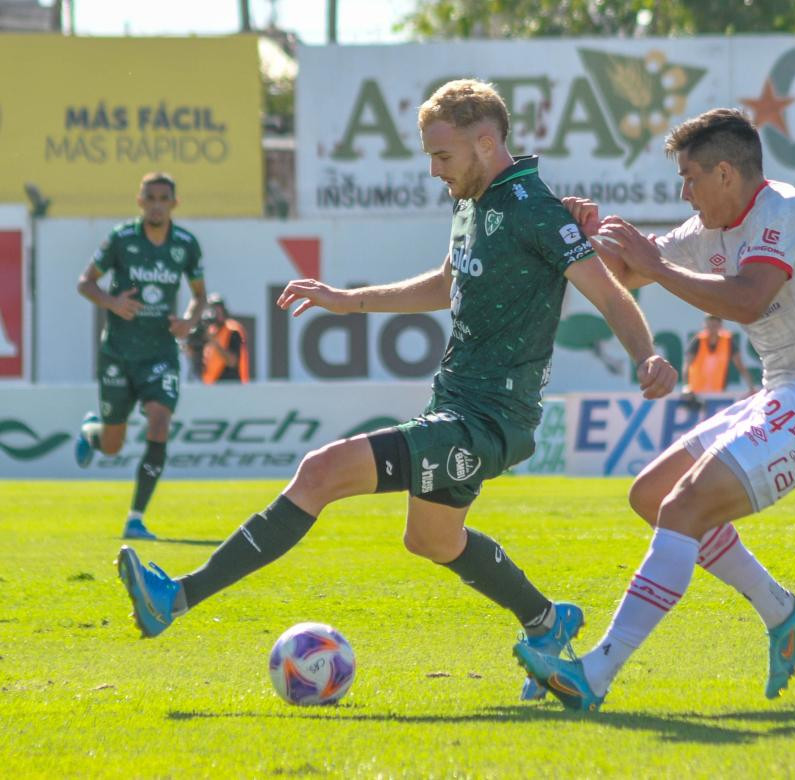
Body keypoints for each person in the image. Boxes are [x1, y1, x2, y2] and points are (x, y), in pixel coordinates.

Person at [114, 79, 677, 701]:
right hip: (456, 406)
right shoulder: (472, 200)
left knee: (320, 471)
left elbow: (605, 289)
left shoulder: (537, 210)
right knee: (431, 539)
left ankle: (177, 596)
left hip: (491, 421)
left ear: (486, 143)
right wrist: (346, 300)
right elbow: (445, 284)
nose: (435, 171)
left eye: (443, 156)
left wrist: (647, 353)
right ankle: (548, 621)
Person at [515, 108, 795, 711]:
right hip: (784, 390)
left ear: (727, 173)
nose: (684, 192)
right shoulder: (706, 228)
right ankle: (784, 613)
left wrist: (653, 264)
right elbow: (625, 274)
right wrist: (580, 232)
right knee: (651, 496)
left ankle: (596, 674)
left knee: (682, 508)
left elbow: (747, 300)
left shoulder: (784, 210)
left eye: (690, 178)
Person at [75, 172, 207, 541]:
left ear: (174, 204)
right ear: (140, 201)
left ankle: (136, 518)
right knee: (113, 446)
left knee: (160, 422)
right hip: (118, 352)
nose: (157, 204)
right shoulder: (121, 239)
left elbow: (199, 295)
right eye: (150, 197)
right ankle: (92, 431)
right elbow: (85, 282)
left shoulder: (185, 244)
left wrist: (189, 321)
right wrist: (112, 302)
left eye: (164, 198)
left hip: (160, 353)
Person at [682, 314, 757, 401]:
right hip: (696, 395)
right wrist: (686, 386)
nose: (712, 327)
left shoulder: (728, 341)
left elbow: (741, 366)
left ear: (720, 325)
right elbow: (687, 366)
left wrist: (751, 388)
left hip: (718, 395)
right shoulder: (698, 341)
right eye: (709, 323)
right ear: (704, 324)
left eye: (715, 323)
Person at [201, 293, 250, 384]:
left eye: (219, 309)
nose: (216, 313)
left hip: (230, 385)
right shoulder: (210, 331)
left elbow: (232, 361)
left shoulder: (233, 330)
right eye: (213, 310)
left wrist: (215, 343)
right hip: (212, 386)